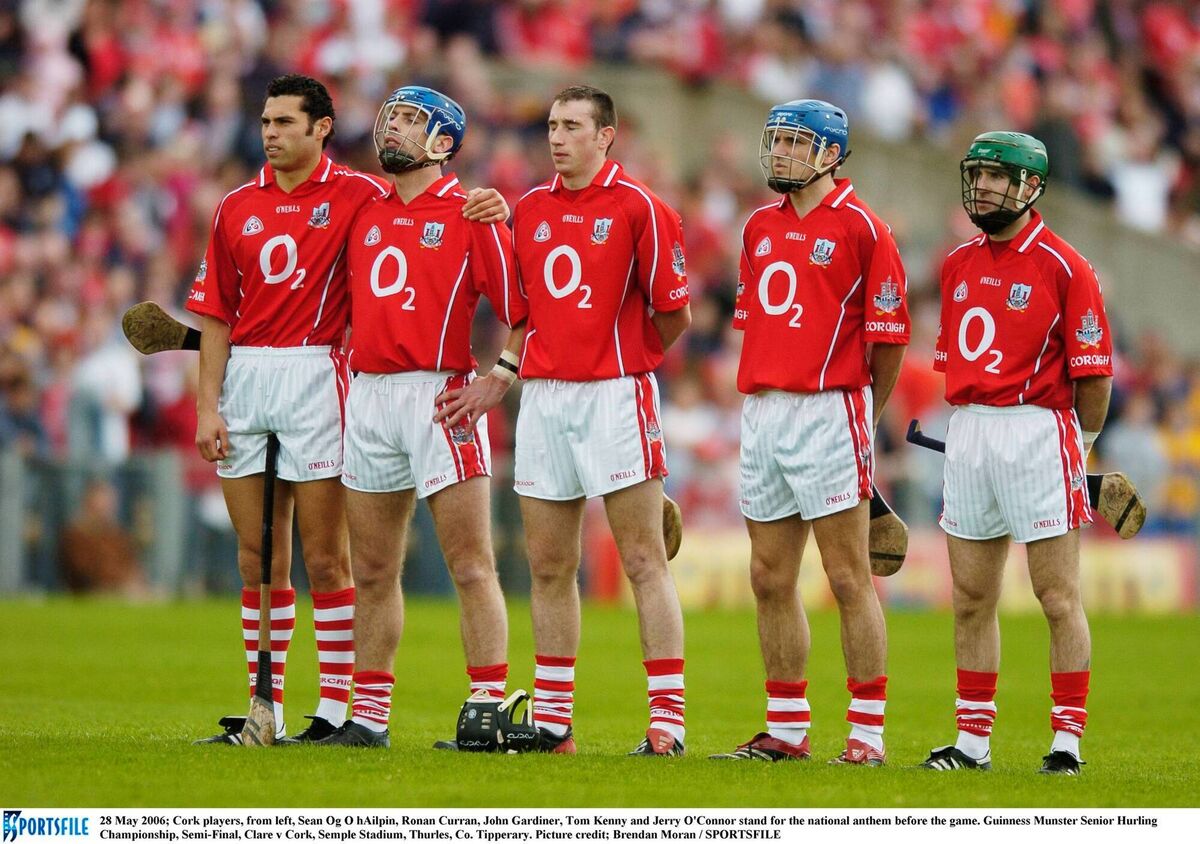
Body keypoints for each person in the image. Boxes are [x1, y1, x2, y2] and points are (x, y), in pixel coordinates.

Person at [186, 75, 505, 745]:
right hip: (345, 386)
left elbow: (520, 300)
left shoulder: (391, 199)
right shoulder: (347, 203)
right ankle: (315, 713)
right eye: (264, 121)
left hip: (389, 385)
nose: (269, 132)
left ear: (320, 128)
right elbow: (235, 305)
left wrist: (499, 373)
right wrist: (207, 395)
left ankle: (456, 708)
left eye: (284, 121)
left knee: (405, 562)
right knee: (284, 560)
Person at [316, 86, 525, 748]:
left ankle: (487, 708)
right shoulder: (364, 208)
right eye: (392, 117)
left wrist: (501, 377)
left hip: (441, 394)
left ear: (443, 141)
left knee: (470, 564)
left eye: (411, 120)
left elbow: (519, 307)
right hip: (370, 394)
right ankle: (369, 717)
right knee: (374, 569)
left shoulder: (472, 211)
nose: (395, 128)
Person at [710, 100, 908, 766]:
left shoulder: (864, 229)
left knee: (848, 577)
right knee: (768, 576)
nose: (783, 153)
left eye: (796, 143)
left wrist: (863, 413)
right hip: (764, 409)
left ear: (830, 154)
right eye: (778, 141)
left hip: (830, 409)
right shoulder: (759, 225)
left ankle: (867, 736)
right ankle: (787, 730)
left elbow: (888, 342)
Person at [501, 85, 691, 756]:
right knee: (549, 563)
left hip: (616, 392)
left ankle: (667, 723)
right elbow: (522, 313)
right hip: (545, 397)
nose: (557, 137)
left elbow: (673, 313)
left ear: (605, 136)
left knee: (642, 558)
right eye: (552, 125)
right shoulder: (527, 209)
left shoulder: (640, 207)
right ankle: (553, 724)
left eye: (573, 126)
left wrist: (630, 359)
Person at [921, 132, 1113, 776]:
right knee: (972, 597)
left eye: (998, 177)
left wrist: (1080, 449)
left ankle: (1067, 743)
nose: (983, 187)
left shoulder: (1066, 266)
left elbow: (1095, 375)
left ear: (1030, 186)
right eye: (976, 174)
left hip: (1039, 430)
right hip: (971, 429)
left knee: (1056, 595)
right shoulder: (956, 265)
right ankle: (972, 744)